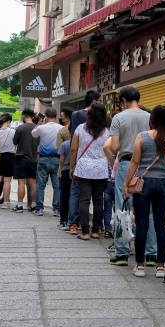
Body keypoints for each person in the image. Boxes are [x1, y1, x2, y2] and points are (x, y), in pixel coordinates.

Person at [104, 87, 153, 267]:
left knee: (122, 207)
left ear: (123, 100)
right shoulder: (149, 117)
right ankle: (151, 254)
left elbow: (114, 146)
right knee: (148, 210)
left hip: (126, 163)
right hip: (148, 167)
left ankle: (122, 252)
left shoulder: (119, 117)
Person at [123, 105, 165, 278]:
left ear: (152, 120)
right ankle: (160, 267)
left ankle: (140, 265)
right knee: (161, 226)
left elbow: (134, 162)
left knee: (142, 225)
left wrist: (126, 184)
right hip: (162, 184)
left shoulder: (142, 137)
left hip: (143, 184)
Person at [69, 102, 111, 240]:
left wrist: (71, 166)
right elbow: (111, 150)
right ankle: (95, 230)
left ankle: (85, 232)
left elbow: (74, 149)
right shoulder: (107, 132)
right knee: (98, 201)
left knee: (84, 200)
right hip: (101, 169)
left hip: (83, 169)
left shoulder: (80, 128)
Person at [32, 108, 62, 216]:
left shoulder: (41, 128)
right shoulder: (61, 128)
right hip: (57, 159)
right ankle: (56, 209)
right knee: (57, 185)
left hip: (43, 159)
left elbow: (33, 134)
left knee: (40, 184)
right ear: (56, 115)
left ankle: (39, 208)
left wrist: (40, 123)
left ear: (45, 116)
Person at [12, 109, 39, 212]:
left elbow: (14, 142)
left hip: (21, 158)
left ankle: (19, 205)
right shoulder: (37, 128)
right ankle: (33, 204)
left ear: (24, 116)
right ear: (32, 116)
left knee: (21, 183)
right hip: (33, 159)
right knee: (33, 183)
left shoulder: (20, 128)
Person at [56, 110, 73, 230]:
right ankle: (74, 221)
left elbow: (59, 153)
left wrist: (62, 168)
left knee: (64, 195)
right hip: (79, 170)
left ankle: (63, 220)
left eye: (62, 117)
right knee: (76, 196)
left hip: (65, 169)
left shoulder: (62, 131)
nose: (61, 118)